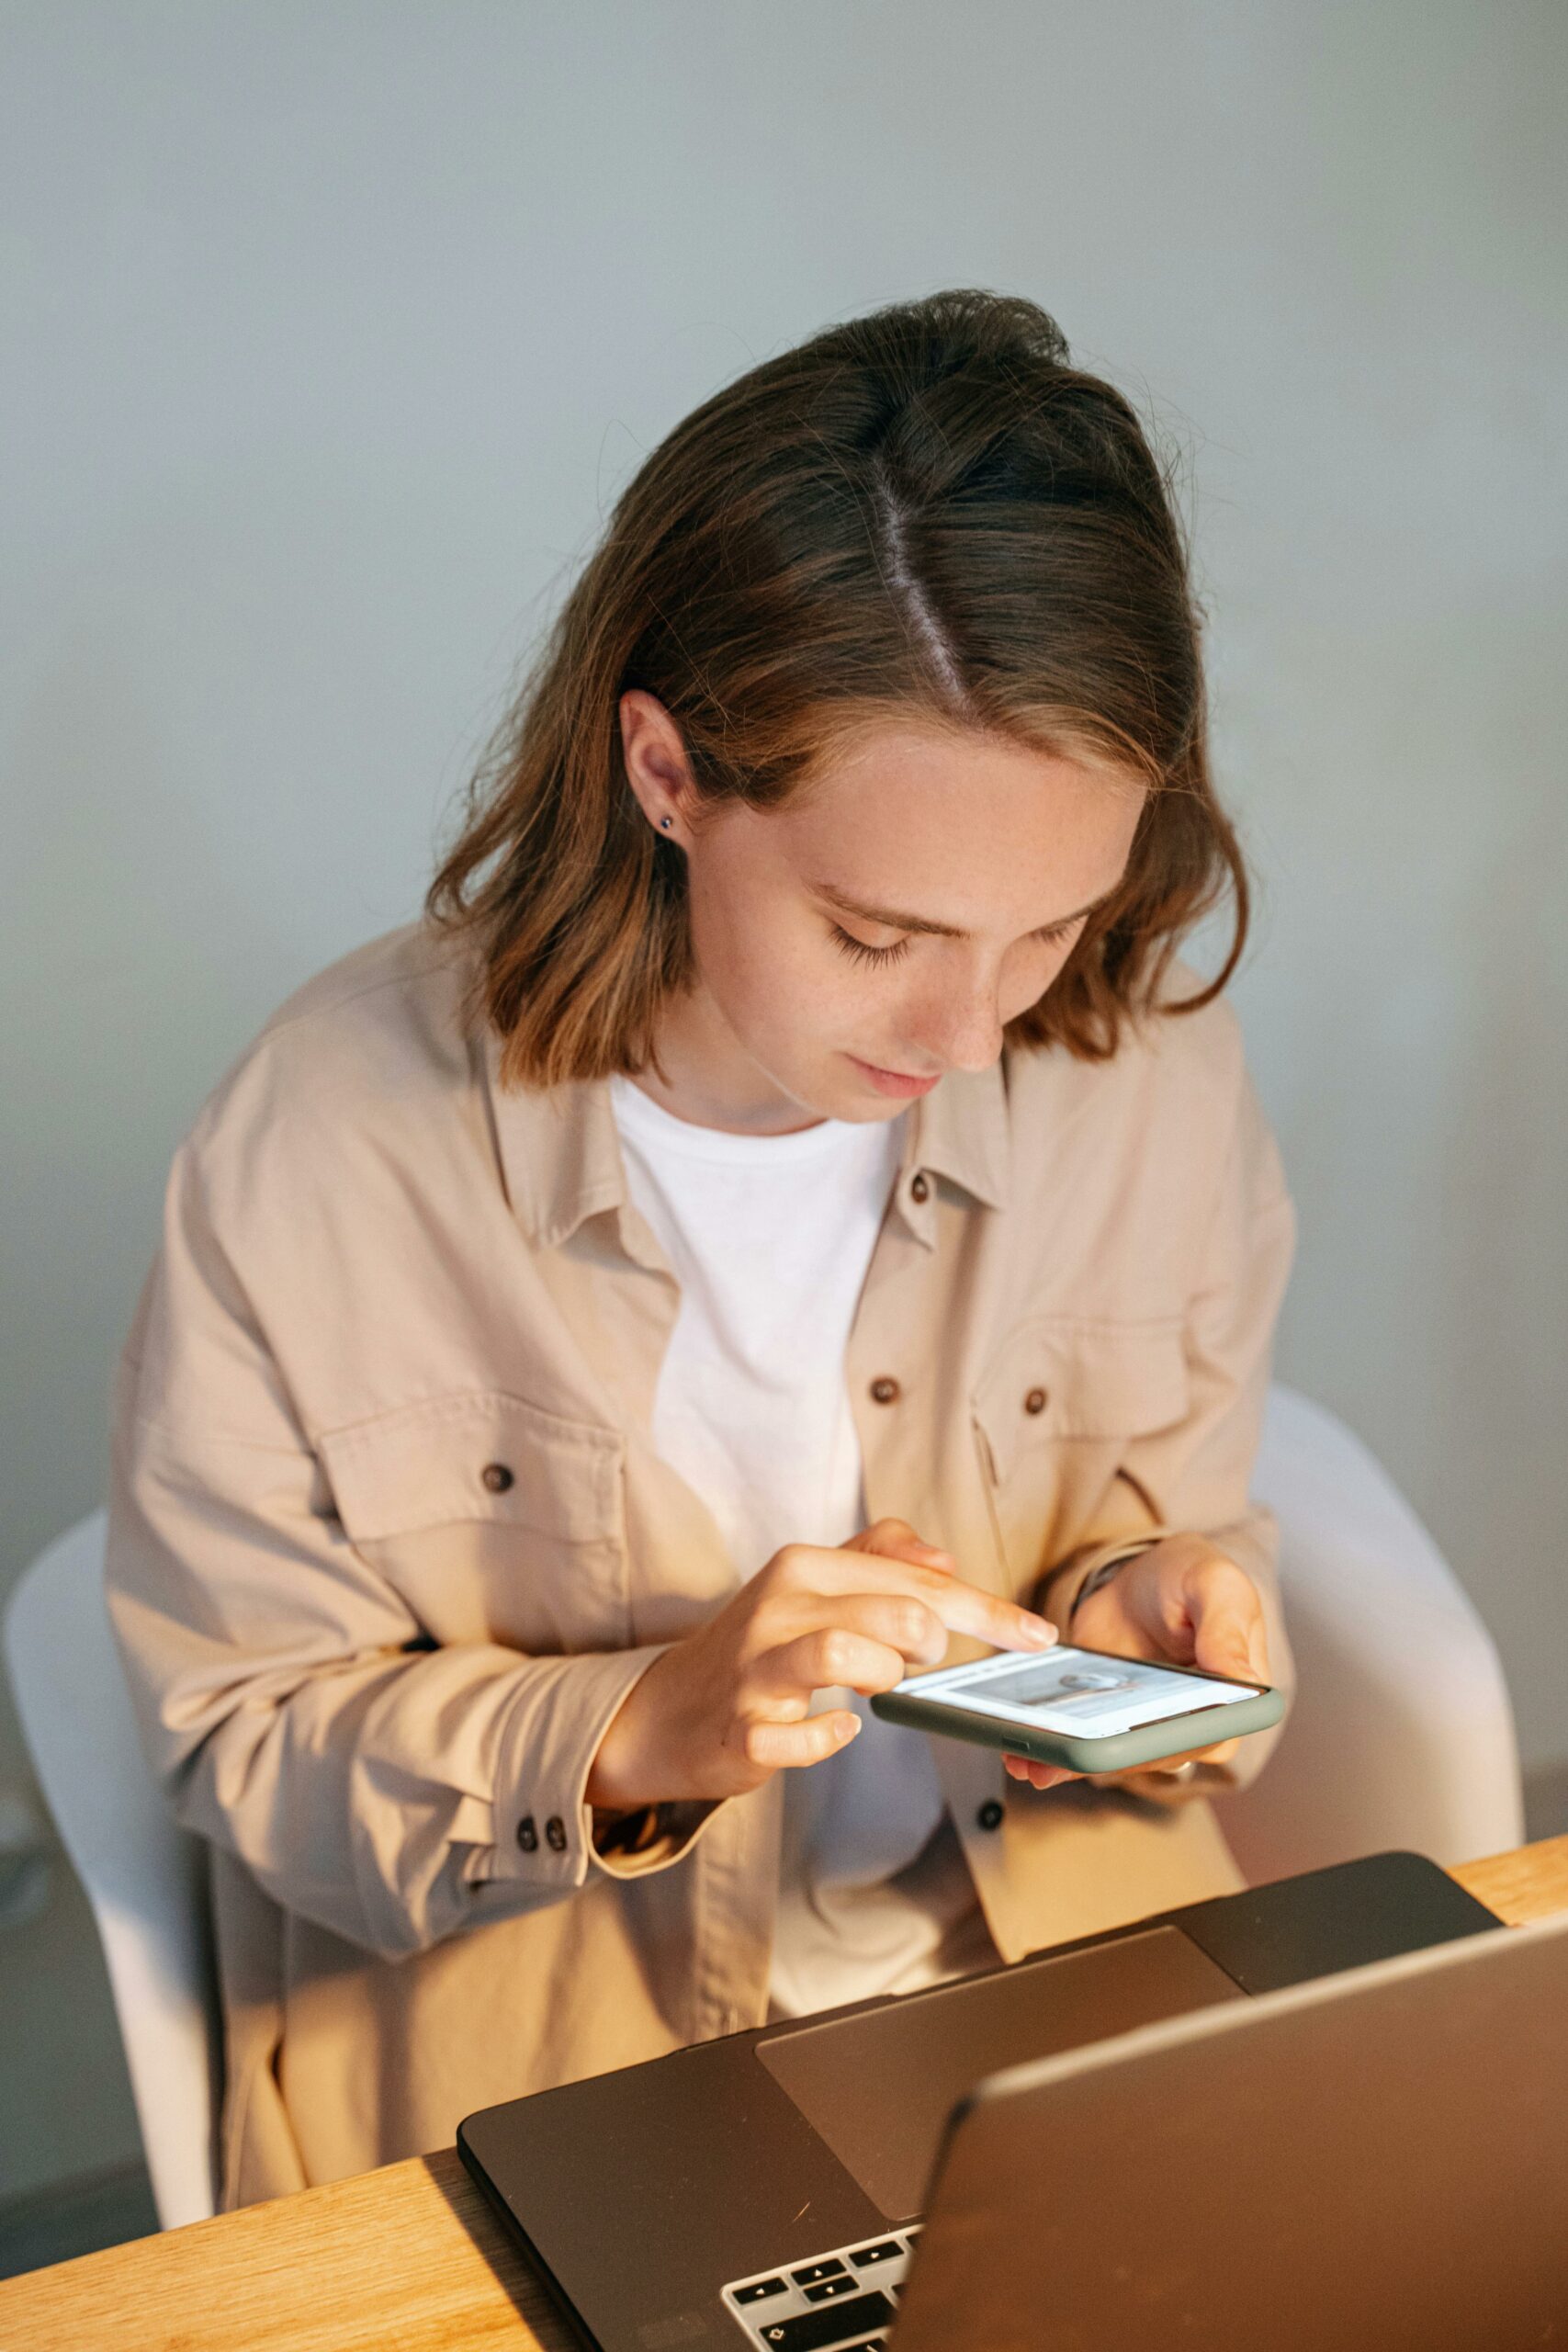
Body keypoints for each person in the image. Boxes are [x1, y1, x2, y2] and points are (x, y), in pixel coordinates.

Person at [105, 288, 1295, 2209]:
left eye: (1047, 925)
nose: (971, 1033)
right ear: (663, 772)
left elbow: (1182, 1523)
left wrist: (1143, 1611)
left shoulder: (1148, 1071)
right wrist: (639, 1726)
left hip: (1059, 2018)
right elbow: (238, 1746)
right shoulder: (319, 1138)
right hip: (556, 2095)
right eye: (872, 929)